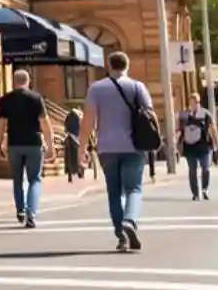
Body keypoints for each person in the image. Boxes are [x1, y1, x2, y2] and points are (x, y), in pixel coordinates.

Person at [84, 51, 155, 253]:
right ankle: (130, 220)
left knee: (114, 192)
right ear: (127, 66)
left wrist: (82, 147)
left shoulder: (96, 88)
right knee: (133, 188)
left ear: (109, 66)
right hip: (134, 146)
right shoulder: (137, 87)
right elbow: (149, 114)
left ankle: (121, 236)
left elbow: (88, 120)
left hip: (106, 148)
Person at [0, 69, 49, 228]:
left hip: (14, 143)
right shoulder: (36, 98)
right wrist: (50, 144)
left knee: (17, 179)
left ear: (14, 82)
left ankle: (20, 210)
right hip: (33, 143)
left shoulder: (5, 99)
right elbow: (45, 123)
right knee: (35, 179)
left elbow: (0, 125)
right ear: (28, 81)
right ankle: (31, 213)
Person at [179, 98, 217, 200]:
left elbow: (213, 128)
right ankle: (199, 192)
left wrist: (215, 140)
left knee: (199, 169)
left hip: (197, 146)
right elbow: (213, 129)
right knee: (199, 169)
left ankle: (200, 191)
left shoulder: (187, 115)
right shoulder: (189, 114)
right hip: (196, 146)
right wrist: (216, 141)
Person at [64, 104, 84, 181]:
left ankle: (68, 170)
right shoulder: (80, 115)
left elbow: (65, 127)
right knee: (80, 152)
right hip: (76, 137)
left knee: (67, 154)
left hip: (69, 135)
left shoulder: (68, 115)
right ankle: (79, 169)